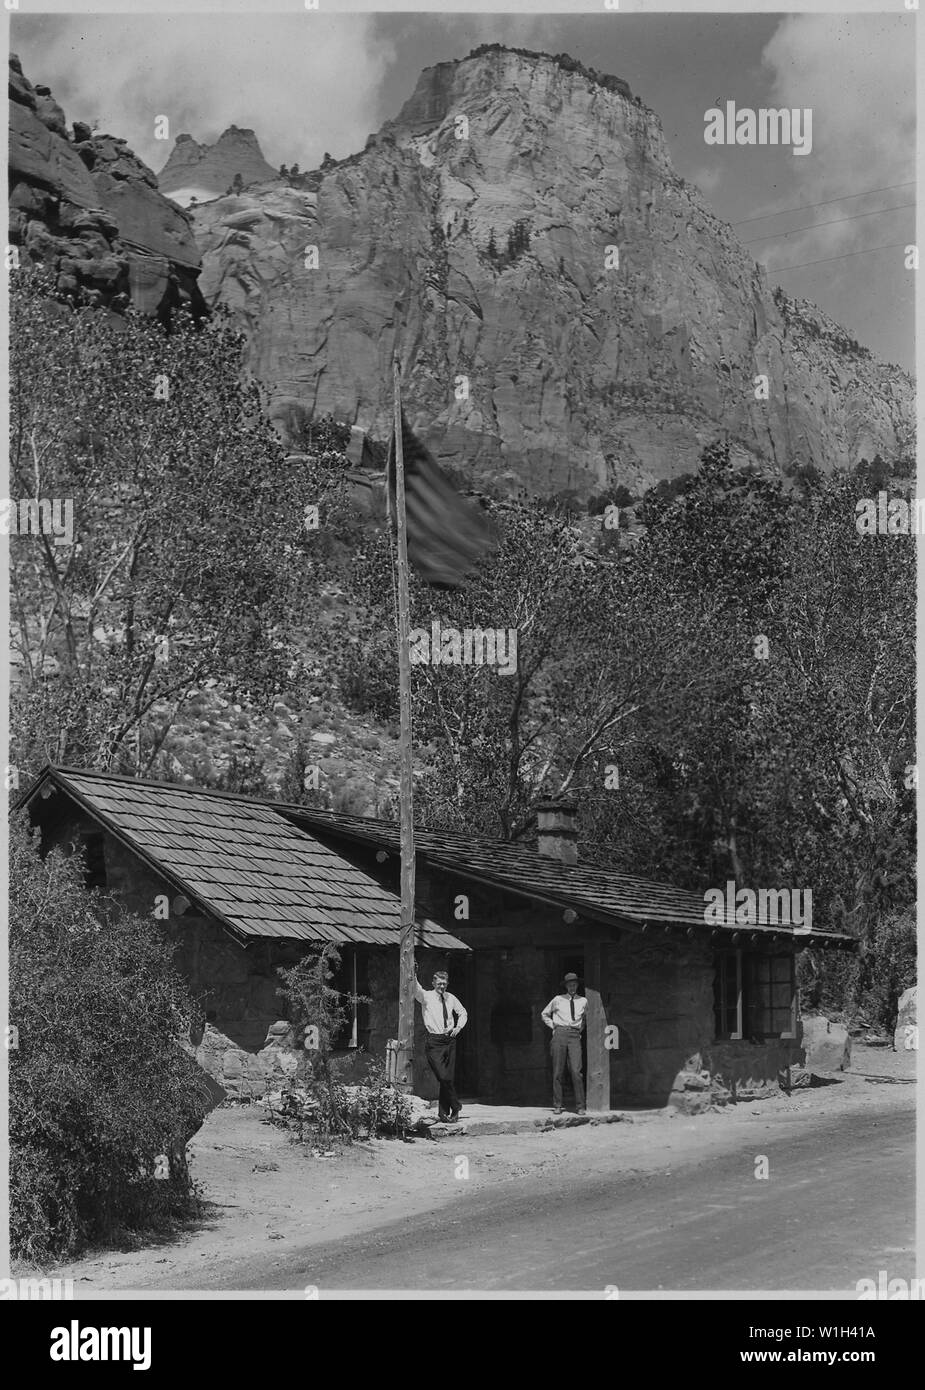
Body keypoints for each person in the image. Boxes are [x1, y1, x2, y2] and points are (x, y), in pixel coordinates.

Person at [413, 964, 468, 1122]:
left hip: (449, 1039)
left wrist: (459, 1026)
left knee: (448, 1077)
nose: (442, 986)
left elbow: (462, 1012)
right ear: (433, 983)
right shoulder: (426, 997)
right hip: (434, 1041)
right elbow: (416, 989)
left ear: (447, 984)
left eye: (444, 983)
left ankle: (445, 1113)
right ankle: (456, 1105)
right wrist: (414, 973)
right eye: (439, 984)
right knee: (443, 1077)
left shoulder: (451, 997)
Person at [541, 972, 587, 1114]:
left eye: (574, 984)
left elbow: (584, 1019)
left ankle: (580, 1106)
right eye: (569, 985)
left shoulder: (583, 1001)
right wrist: (554, 1026)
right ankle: (557, 1105)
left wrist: (578, 1031)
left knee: (576, 1071)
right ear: (566, 986)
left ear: (577, 985)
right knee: (558, 1071)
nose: (572, 987)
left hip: (574, 1035)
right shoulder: (557, 999)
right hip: (559, 1033)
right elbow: (544, 1014)